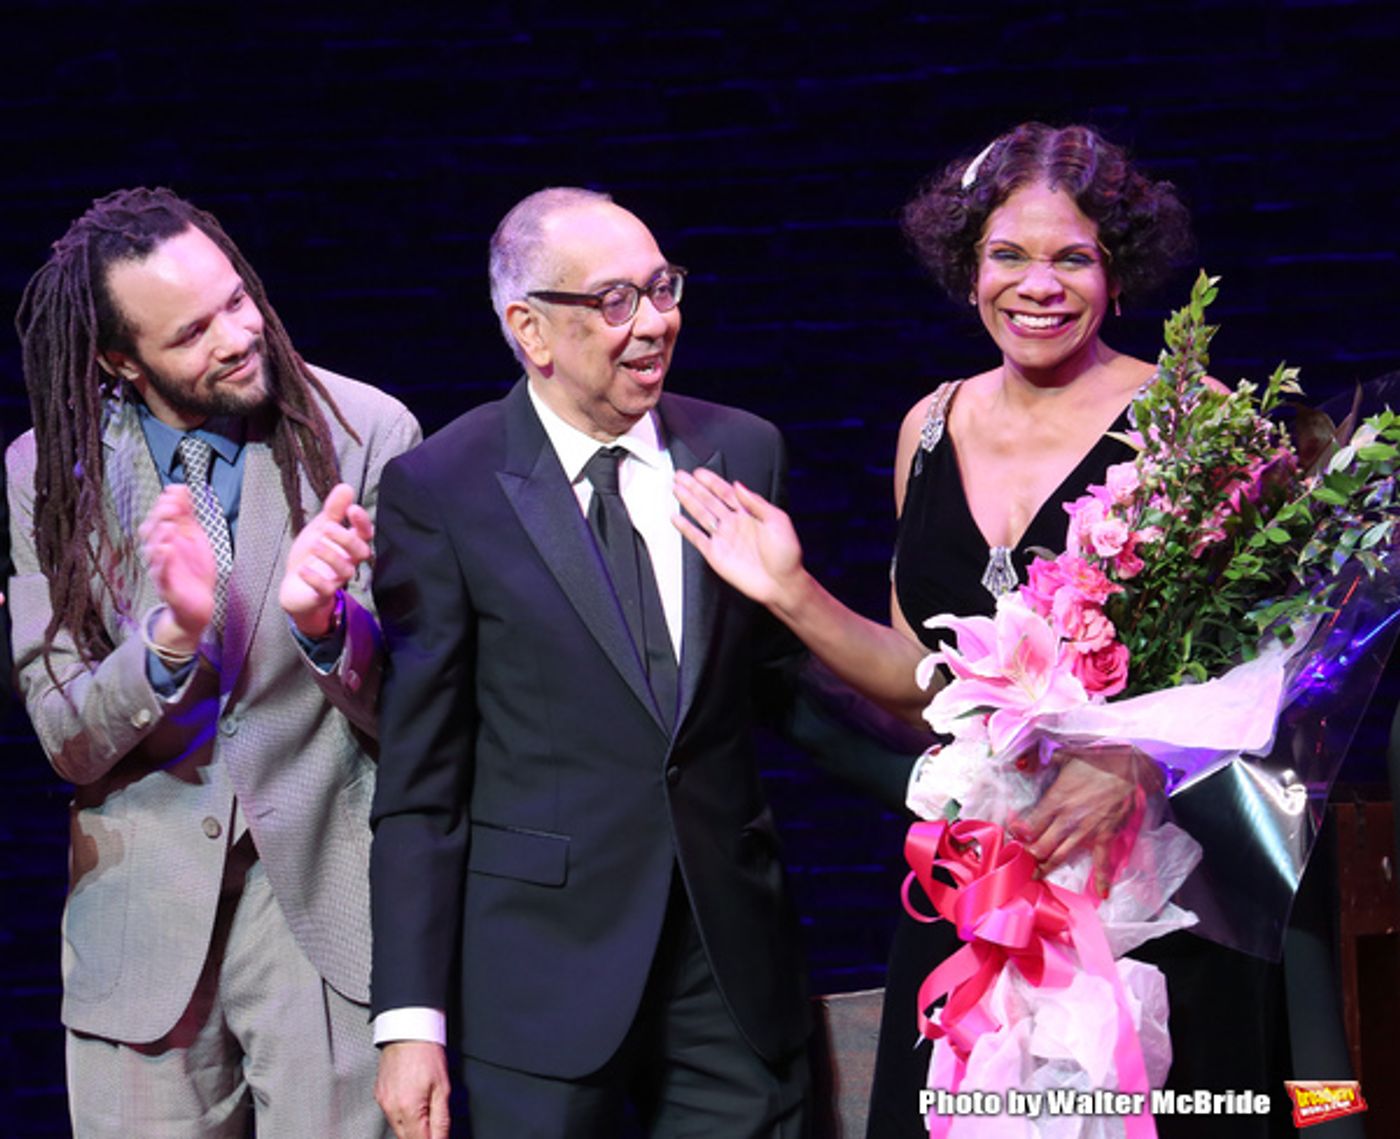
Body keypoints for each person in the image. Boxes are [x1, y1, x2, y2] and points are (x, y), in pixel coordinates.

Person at [674, 123, 1300, 1137]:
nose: (1036, 284)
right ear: (966, 270)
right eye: (1006, 255)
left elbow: (1280, 668)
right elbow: (924, 684)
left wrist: (1135, 758)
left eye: (1071, 257)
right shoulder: (927, 426)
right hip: (983, 885)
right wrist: (790, 592)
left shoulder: (1196, 419)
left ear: (1116, 270)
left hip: (1151, 898)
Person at [369, 187, 814, 1139]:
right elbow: (422, 779)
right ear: (530, 327)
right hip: (538, 981)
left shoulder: (740, 450)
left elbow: (779, 688)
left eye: (663, 288)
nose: (656, 322)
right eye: (617, 301)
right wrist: (409, 1022)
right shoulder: (443, 489)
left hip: (727, 968)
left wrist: (953, 778)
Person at [7, 186, 422, 1137]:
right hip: (140, 938)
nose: (237, 336)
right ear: (119, 360)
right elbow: (66, 738)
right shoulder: (46, 472)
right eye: (191, 332)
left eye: (237, 301)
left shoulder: (367, 434)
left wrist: (328, 628)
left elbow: (425, 717)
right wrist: (167, 640)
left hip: (327, 921)